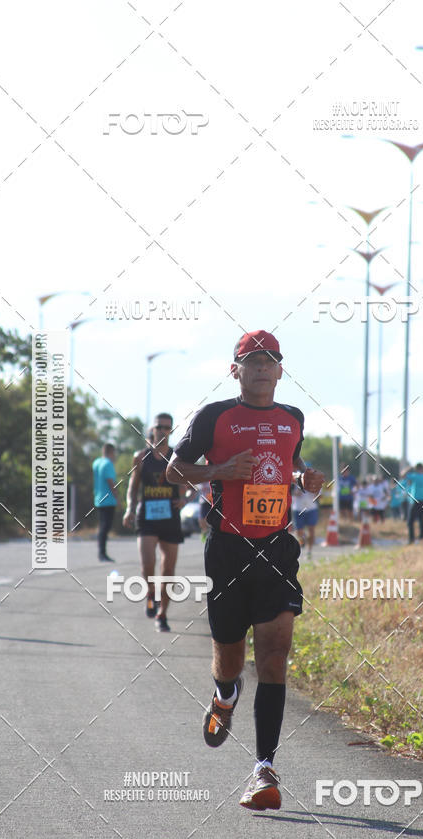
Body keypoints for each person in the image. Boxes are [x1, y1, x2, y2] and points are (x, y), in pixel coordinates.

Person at [166, 329, 324, 811]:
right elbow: (174, 470)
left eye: (269, 360)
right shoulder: (214, 417)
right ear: (236, 370)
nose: (260, 368)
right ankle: (224, 694)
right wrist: (220, 471)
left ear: (281, 369)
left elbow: (288, 461)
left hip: (276, 548)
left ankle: (263, 770)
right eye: (251, 361)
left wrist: (302, 477)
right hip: (228, 551)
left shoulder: (292, 418)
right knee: (231, 656)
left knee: (274, 657)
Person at [123, 413, 186, 632]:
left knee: (168, 569)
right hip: (147, 516)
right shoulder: (140, 457)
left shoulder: (176, 457)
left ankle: (162, 614)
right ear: (152, 429)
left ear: (171, 431)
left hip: (170, 517)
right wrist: (129, 509)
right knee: (147, 565)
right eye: (159, 426)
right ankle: (151, 592)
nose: (162, 430)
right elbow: (132, 488)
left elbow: (188, 486)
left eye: (167, 427)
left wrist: (184, 499)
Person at [92, 442, 118, 562]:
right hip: (108, 500)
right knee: (105, 527)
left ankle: (101, 552)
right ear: (111, 452)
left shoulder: (96, 462)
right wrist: (117, 497)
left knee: (102, 526)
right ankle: (102, 553)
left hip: (99, 498)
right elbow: (111, 482)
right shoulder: (108, 464)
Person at [405, 463, 423, 543]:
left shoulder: (414, 476)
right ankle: (421, 538)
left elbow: (402, 474)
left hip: (415, 501)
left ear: (416, 469)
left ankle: (411, 539)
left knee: (410, 521)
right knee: (421, 520)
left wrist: (409, 467)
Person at [291, 482, 319, 560]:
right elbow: (291, 492)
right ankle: (304, 539)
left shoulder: (315, 482)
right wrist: (296, 492)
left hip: (311, 509)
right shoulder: (295, 482)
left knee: (311, 530)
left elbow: (319, 495)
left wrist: (316, 491)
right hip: (298, 509)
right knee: (298, 532)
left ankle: (309, 551)